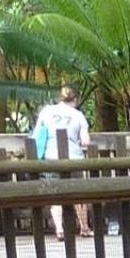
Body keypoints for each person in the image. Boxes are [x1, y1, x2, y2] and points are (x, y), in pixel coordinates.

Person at [33, 85, 92, 239]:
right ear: (75, 99)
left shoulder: (47, 111)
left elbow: (37, 134)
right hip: (74, 159)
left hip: (51, 158)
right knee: (79, 195)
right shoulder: (78, 115)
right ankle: (84, 227)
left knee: (56, 194)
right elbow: (86, 141)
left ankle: (60, 229)